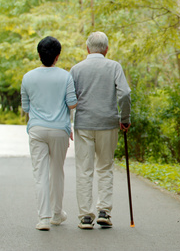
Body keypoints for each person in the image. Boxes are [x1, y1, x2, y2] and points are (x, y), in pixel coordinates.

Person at [71, 31, 131, 229]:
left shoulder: (76, 69)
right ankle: (104, 211)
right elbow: (125, 94)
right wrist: (124, 118)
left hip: (84, 124)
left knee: (84, 169)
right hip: (108, 123)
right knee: (105, 167)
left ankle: (86, 217)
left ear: (87, 48)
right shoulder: (114, 66)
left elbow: (70, 99)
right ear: (106, 49)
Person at [21, 36, 77, 231]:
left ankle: (43, 218)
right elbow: (72, 103)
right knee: (57, 171)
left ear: (39, 55)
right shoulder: (66, 76)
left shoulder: (27, 77)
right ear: (57, 56)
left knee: (40, 174)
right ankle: (56, 214)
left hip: (36, 129)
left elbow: (26, 106)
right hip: (59, 131)